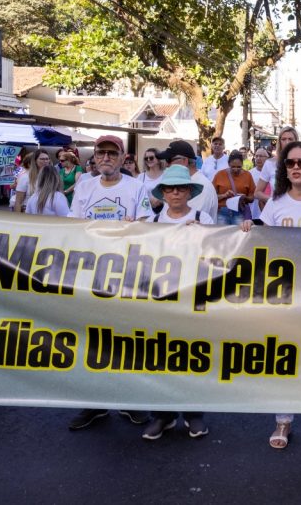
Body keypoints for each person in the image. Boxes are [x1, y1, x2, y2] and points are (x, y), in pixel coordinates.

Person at [239, 141, 301, 450]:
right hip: (281, 294)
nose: (296, 168)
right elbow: (262, 239)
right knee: (283, 357)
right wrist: (249, 227)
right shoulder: (276, 202)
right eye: (290, 163)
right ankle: (283, 419)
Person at [66, 135, 153, 431]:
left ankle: (128, 400)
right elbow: (72, 225)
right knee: (92, 339)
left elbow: (147, 226)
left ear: (122, 157)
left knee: (125, 340)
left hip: (125, 274)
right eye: (101, 152)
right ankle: (94, 403)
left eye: (111, 153)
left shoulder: (136, 188)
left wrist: (133, 229)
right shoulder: (84, 187)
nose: (105, 157)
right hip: (90, 273)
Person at [140, 165, 211, 440]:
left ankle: (193, 415)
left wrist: (204, 233)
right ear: (163, 192)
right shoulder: (153, 221)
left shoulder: (203, 217)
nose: (175, 193)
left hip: (192, 297)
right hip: (161, 300)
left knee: (191, 357)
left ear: (189, 192)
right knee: (160, 359)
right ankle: (162, 415)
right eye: (170, 188)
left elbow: (221, 250)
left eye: (181, 188)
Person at [157, 140, 218, 223]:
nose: (167, 164)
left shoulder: (202, 186)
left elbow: (185, 222)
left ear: (184, 161)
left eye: (169, 160)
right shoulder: (193, 182)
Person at [256, 127, 298, 209]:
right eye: (283, 139)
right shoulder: (270, 163)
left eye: (290, 139)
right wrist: (273, 200)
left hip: (298, 211)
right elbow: (257, 192)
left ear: (296, 141)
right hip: (277, 212)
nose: (287, 142)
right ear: (279, 142)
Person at [213, 151, 256, 225]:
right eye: (233, 167)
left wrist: (244, 198)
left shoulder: (247, 175)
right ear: (228, 164)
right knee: (222, 236)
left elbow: (252, 198)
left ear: (242, 164)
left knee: (239, 236)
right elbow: (212, 197)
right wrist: (224, 195)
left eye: (239, 167)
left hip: (239, 212)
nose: (236, 169)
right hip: (222, 212)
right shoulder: (220, 175)